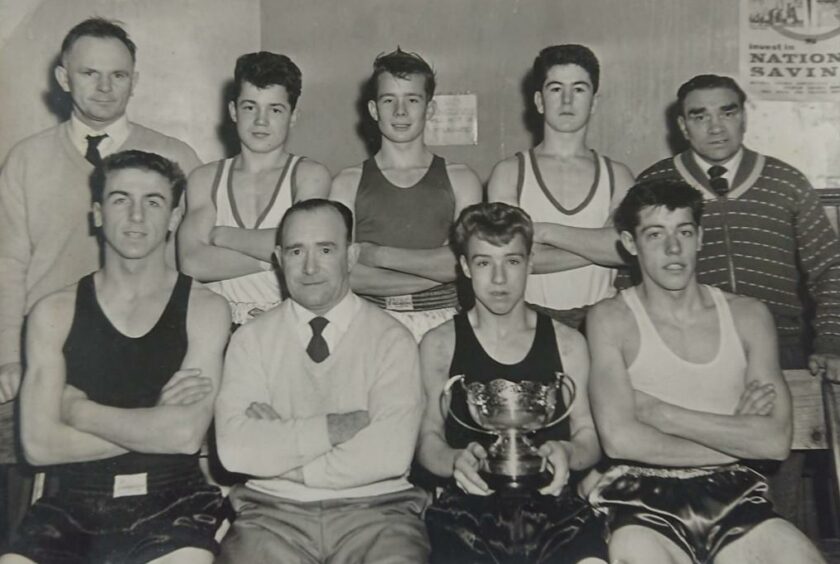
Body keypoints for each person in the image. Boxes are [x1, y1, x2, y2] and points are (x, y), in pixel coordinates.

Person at [1, 150, 230, 564]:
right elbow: (38, 445)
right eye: (121, 199)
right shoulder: (54, 312)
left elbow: (183, 437)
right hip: (72, 507)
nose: (137, 216)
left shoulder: (205, 308)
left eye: (154, 201)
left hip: (174, 503)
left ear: (175, 217)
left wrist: (78, 410)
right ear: (98, 213)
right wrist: (152, 420)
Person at [586, 179, 825, 564]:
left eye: (684, 231)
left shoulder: (748, 316)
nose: (673, 248)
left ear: (699, 238)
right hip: (642, 500)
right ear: (630, 244)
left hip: (736, 496)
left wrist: (660, 414)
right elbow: (620, 441)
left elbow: (775, 441)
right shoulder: (610, 319)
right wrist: (737, 438)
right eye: (655, 234)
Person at [636, 74, 840, 523]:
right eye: (700, 115)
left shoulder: (787, 183)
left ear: (744, 116)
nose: (716, 126)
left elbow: (831, 268)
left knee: (775, 493)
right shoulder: (658, 183)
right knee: (699, 488)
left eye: (727, 111)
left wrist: (829, 340)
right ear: (682, 126)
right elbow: (630, 280)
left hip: (781, 353)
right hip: (687, 352)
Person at [0, 18, 202, 405]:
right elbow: (7, 265)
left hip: (149, 351)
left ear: (134, 80)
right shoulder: (26, 159)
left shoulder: (175, 158)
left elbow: (194, 265)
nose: (105, 88)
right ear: (63, 78)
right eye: (90, 73)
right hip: (49, 351)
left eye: (118, 75)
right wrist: (8, 358)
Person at [214, 199, 428, 563]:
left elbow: (389, 456)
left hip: (378, 514)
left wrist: (283, 450)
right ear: (279, 259)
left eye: (325, 250)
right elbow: (236, 451)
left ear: (350, 255)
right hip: (270, 514)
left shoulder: (392, 339)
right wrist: (334, 429)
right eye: (297, 251)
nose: (310, 267)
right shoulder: (250, 339)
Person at [416, 202, 605, 564]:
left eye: (512, 261)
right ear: (465, 267)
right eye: (485, 262)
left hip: (555, 509)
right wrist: (454, 461)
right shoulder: (439, 344)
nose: (499, 279)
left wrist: (567, 453)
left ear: (531, 262)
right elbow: (428, 439)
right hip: (467, 514)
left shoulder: (568, 343)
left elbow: (588, 436)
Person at [331, 47, 482, 342]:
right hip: (369, 324)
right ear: (374, 109)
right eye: (389, 100)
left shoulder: (461, 179)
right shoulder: (346, 183)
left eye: (412, 100)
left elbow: (468, 265)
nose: (400, 112)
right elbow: (345, 274)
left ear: (430, 108)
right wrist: (435, 271)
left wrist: (376, 254)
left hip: (443, 323)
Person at [179, 51, 330, 325]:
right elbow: (191, 262)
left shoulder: (308, 175)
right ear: (233, 111)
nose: (261, 121)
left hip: (289, 326)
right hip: (219, 326)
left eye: (275, 109)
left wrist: (223, 236)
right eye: (250, 107)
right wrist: (278, 256)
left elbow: (305, 250)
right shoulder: (205, 178)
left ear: (293, 115)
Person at [488, 44, 634, 328]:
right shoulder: (509, 174)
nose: (567, 100)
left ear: (594, 101)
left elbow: (625, 249)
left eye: (579, 89)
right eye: (556, 89)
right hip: (527, 322)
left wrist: (542, 232)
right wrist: (601, 247)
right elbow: (512, 258)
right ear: (539, 101)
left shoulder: (618, 176)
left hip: (601, 322)